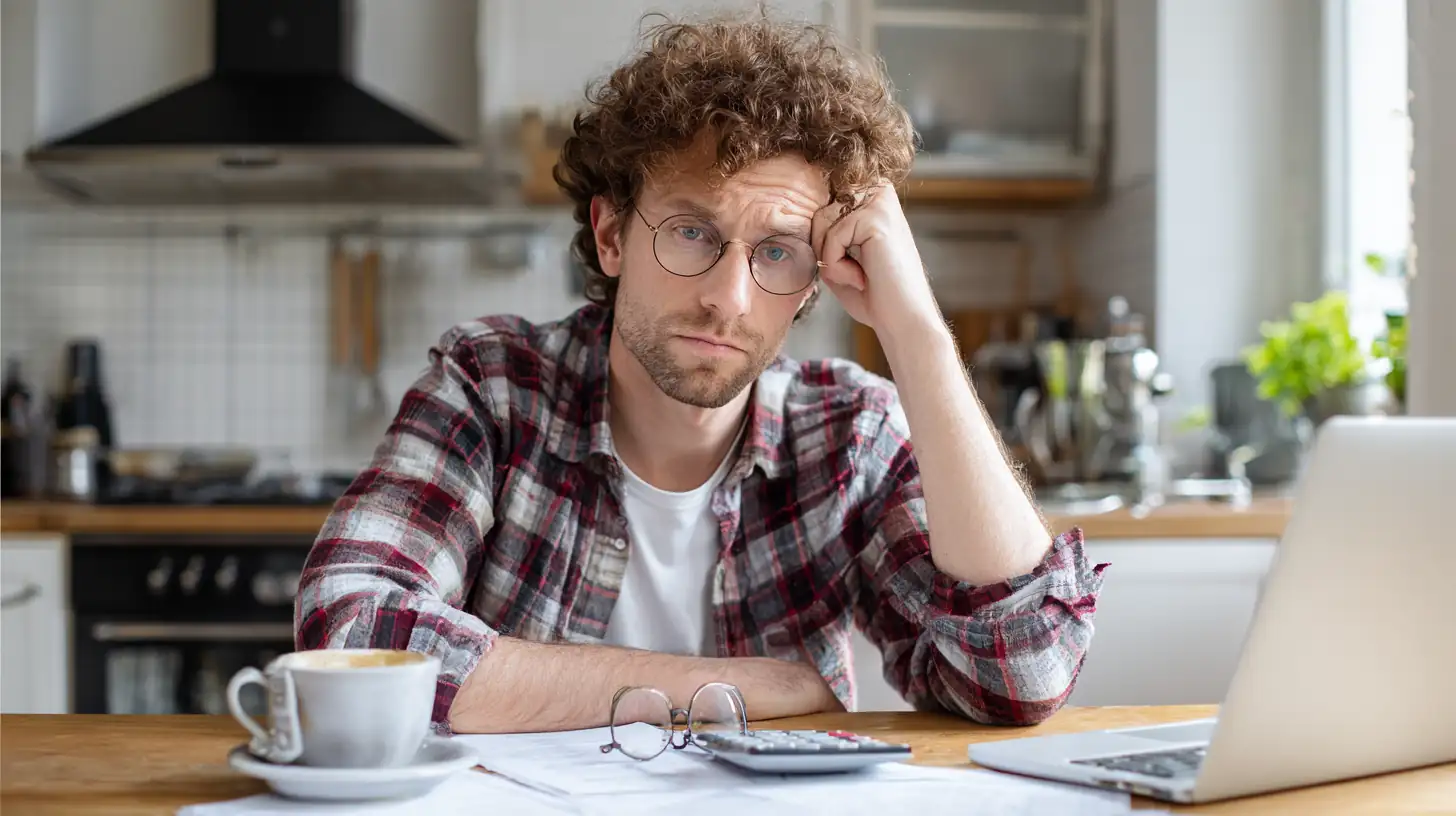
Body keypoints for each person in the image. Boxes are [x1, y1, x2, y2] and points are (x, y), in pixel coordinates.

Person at [295, 12, 1106, 736]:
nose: (729, 298)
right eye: (691, 232)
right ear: (611, 236)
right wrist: (747, 687)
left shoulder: (849, 434)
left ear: (816, 281)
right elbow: (352, 633)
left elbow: (1020, 675)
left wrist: (918, 332)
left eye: (778, 252)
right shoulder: (493, 387)